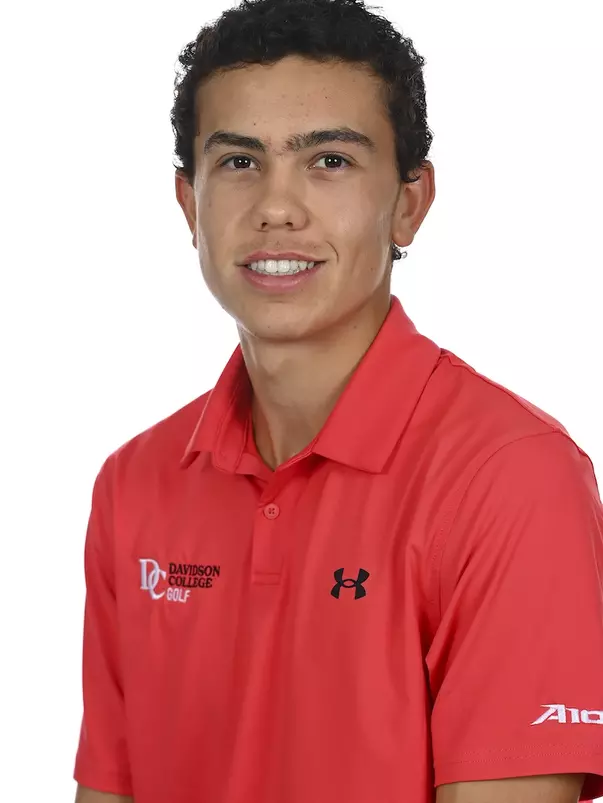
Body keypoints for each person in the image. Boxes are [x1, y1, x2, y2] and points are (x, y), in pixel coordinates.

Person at [73, 0, 603, 801]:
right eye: (239, 162)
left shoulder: (511, 479)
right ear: (189, 203)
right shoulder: (133, 483)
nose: (276, 207)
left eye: (329, 161)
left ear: (408, 203)